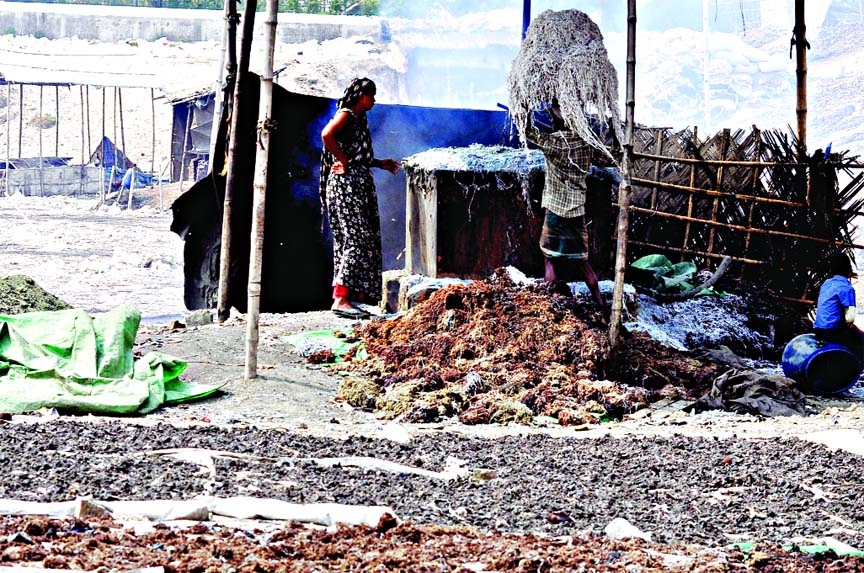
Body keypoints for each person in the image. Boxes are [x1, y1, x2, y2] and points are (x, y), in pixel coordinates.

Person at [320, 78, 400, 319]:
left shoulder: (359, 120)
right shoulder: (346, 114)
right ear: (360, 95)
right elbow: (327, 135)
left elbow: (358, 156)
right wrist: (343, 162)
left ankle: (350, 295)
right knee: (355, 237)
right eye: (371, 95)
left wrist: (379, 164)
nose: (373, 100)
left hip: (356, 182)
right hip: (347, 185)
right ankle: (341, 298)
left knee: (357, 238)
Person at [524, 104, 616, 310]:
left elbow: (528, 131)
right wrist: (614, 134)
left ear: (557, 121)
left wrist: (525, 108)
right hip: (576, 212)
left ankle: (551, 305)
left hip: (555, 211)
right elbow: (611, 158)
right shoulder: (586, 144)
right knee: (583, 263)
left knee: (550, 259)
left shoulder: (552, 142)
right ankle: (600, 303)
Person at [813, 250, 863, 356]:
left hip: (818, 331)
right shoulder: (846, 288)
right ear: (849, 269)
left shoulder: (826, 284)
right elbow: (850, 318)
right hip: (832, 333)